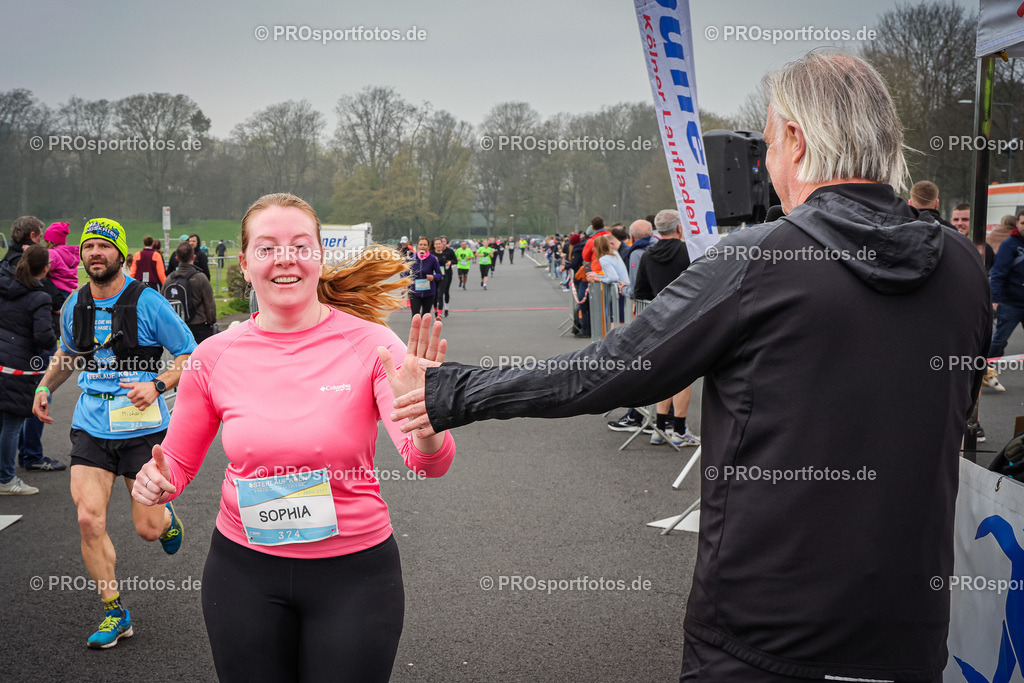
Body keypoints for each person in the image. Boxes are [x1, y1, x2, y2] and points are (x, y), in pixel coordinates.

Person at [390, 49, 990, 682]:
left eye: (768, 145)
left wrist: (451, 390)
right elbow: (956, 408)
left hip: (763, 628)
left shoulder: (759, 260)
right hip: (909, 626)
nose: (766, 167)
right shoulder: (961, 266)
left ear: (795, 140)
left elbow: (609, 369)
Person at [131, 192, 455, 682]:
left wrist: (427, 421)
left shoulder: (371, 345)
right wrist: (156, 480)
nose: (285, 258)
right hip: (242, 575)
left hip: (355, 576)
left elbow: (428, 461)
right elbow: (175, 464)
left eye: (301, 246)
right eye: (267, 248)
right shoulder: (212, 356)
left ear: (319, 257)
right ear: (244, 264)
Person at [32, 217, 195, 649]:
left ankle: (167, 520)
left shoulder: (148, 302)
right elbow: (69, 353)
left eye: (104, 246)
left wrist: (157, 384)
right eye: (88, 247)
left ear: (121, 254)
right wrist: (45, 386)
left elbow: (190, 354)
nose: (95, 254)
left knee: (147, 529)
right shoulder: (74, 304)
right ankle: (115, 611)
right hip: (91, 425)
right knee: (88, 518)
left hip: (142, 429)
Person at [4, 217, 67, 472]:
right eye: (39, 236)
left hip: (11, 345)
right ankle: (29, 455)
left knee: (13, 412)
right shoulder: (31, 276)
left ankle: (21, 458)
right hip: (29, 348)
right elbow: (49, 297)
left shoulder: (7, 264)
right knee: (36, 398)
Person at [633, 210, 700, 447]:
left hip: (657, 321)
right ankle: (679, 430)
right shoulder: (689, 251)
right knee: (684, 377)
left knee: (664, 374)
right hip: (685, 319)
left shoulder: (647, 255)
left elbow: (639, 292)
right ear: (679, 228)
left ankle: (659, 428)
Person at [0, 245, 56, 495]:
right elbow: (43, 337)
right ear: (44, 268)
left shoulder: (4, 285)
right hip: (19, 364)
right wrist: (53, 340)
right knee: (12, 424)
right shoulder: (39, 297)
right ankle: (6, 479)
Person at [163, 242, 217, 343]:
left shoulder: (170, 279)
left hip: (177, 327)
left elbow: (162, 302)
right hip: (199, 326)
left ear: (176, 258)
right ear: (194, 257)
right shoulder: (201, 278)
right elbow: (209, 304)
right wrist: (211, 321)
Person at [586, 234, 629, 329]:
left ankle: (614, 337)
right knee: (620, 318)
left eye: (595, 246)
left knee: (615, 320)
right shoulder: (615, 254)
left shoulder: (604, 259)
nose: (593, 249)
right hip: (624, 288)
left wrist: (600, 279)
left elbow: (614, 277)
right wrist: (598, 275)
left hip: (618, 290)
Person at [43, 221, 81, 295]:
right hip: (70, 291)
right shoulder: (69, 253)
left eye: (46, 241)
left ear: (49, 242)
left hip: (58, 291)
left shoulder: (52, 253)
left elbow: (41, 270)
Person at [408, 236, 442, 317]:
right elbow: (405, 272)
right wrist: (408, 279)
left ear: (428, 247)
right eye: (421, 244)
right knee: (415, 315)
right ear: (418, 246)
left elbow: (439, 274)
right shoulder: (412, 258)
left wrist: (433, 277)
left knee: (425, 316)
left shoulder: (432, 259)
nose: (422, 246)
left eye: (424, 245)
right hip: (415, 292)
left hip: (429, 292)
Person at [433, 236, 456, 318]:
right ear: (434, 245)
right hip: (435, 276)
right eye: (438, 243)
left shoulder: (447, 253)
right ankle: (436, 310)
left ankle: (442, 311)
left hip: (445, 275)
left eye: (442, 242)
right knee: (435, 296)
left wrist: (450, 262)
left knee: (443, 293)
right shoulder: (432, 254)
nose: (441, 244)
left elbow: (455, 260)